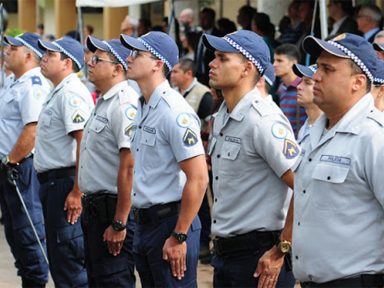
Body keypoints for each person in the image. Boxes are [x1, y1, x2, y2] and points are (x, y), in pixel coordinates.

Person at [203, 29, 299, 288]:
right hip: (226, 253)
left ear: (247, 68)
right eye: (214, 57)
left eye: (222, 58)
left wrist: (282, 248)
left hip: (259, 257)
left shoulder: (263, 120)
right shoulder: (222, 115)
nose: (212, 64)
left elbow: (304, 186)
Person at [292, 32, 384, 287]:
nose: (315, 76)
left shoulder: (373, 137)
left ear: (357, 82)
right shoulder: (316, 131)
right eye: (318, 66)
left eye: (327, 69)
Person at [120, 31, 208, 287]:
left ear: (158, 65)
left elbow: (199, 178)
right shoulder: (143, 105)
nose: (129, 58)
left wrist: (179, 235)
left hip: (171, 222)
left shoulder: (174, 111)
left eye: (137, 54)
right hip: (146, 223)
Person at [79, 36, 139, 287]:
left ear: (117, 68)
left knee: (113, 278)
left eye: (97, 59)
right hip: (94, 208)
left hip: (112, 209)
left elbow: (129, 166)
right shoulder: (104, 101)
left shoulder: (124, 104)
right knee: (98, 278)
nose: (90, 63)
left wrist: (119, 222)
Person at [34, 36, 93, 287]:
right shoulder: (57, 91)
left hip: (66, 183)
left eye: (50, 55)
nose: (43, 59)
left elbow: (83, 141)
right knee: (59, 260)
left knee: (68, 257)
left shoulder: (71, 93)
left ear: (67, 63)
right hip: (53, 184)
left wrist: (77, 191)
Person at [0, 32, 51, 288]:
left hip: (21, 165)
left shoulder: (33, 86)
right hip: (9, 165)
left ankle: (36, 280)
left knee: (27, 228)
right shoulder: (14, 82)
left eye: (13, 48)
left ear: (29, 55)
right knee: (13, 228)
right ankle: (28, 277)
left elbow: (33, 130)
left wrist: (11, 160)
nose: (6, 50)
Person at [274, 44, 307, 137]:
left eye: (279, 61)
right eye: (274, 60)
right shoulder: (281, 88)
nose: (274, 64)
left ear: (293, 63)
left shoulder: (304, 86)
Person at [292, 64, 322, 145]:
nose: (298, 86)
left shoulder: (327, 129)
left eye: (307, 82)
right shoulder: (307, 124)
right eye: (301, 81)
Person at [195, 7, 223, 86]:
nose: (202, 20)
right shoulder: (198, 35)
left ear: (212, 19)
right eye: (201, 18)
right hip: (198, 75)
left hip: (211, 74)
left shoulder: (219, 35)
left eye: (205, 18)